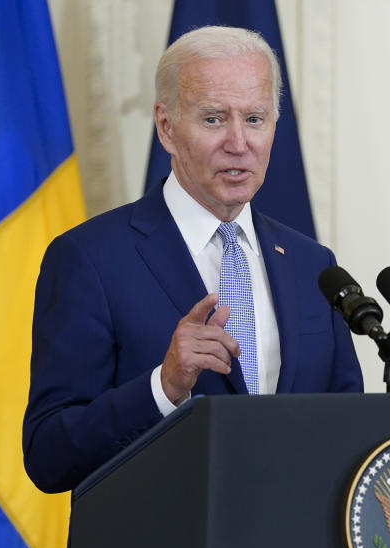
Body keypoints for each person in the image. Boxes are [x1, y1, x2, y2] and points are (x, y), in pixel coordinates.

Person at [22, 26, 362, 493]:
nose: (239, 142)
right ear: (166, 127)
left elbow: (348, 427)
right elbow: (48, 454)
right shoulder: (90, 260)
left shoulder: (312, 265)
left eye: (256, 119)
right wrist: (163, 387)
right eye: (214, 119)